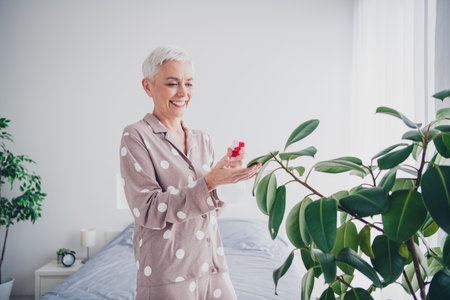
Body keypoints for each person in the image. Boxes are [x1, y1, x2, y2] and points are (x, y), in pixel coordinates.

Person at [119, 46, 261, 300]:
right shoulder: (136, 136)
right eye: (172, 83)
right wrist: (207, 183)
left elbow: (210, 210)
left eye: (189, 83)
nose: (183, 93)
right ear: (148, 87)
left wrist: (226, 181)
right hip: (167, 273)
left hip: (212, 265)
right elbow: (147, 210)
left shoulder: (201, 139)